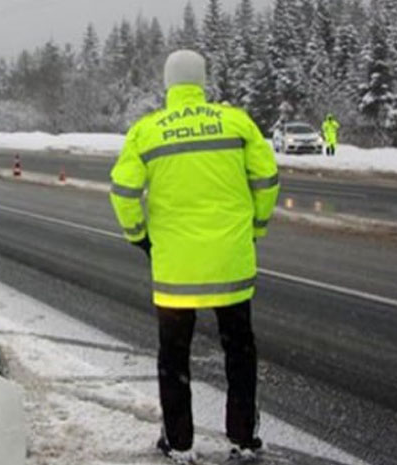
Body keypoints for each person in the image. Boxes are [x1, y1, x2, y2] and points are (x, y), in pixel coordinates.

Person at [109, 50, 280, 464]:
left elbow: (124, 191)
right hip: (231, 265)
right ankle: (242, 437)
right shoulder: (235, 121)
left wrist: (141, 238)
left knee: (174, 356)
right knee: (239, 350)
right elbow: (267, 179)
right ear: (202, 82)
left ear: (168, 83)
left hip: (175, 273)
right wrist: (255, 229)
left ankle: (179, 442)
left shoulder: (147, 131)